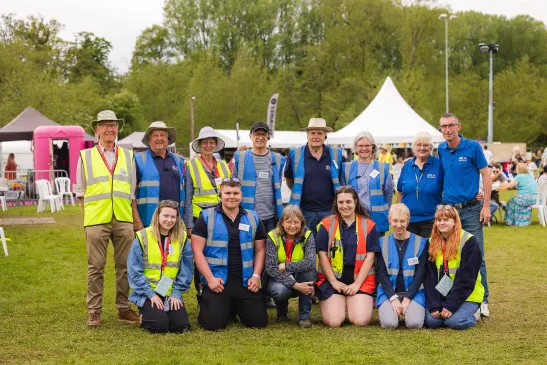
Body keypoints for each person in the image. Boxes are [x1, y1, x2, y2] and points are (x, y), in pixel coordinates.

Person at [76, 110, 140, 327]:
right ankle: (94, 311)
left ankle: (123, 309)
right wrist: (89, 219)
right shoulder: (85, 156)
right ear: (97, 130)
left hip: (122, 218)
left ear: (117, 129)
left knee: (125, 266)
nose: (110, 129)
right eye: (105, 125)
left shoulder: (129, 156)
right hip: (96, 220)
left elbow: (131, 192)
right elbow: (81, 192)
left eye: (113, 125)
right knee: (96, 266)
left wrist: (133, 219)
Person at [191, 178, 268, 330]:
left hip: (245, 280)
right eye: (227, 193)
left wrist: (256, 276)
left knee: (258, 322)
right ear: (220, 194)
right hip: (218, 281)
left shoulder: (253, 217)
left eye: (235, 193)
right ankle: (211, 301)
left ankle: (234, 306)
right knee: (212, 325)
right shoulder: (206, 217)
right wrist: (210, 279)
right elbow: (197, 252)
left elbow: (260, 250)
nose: (231, 197)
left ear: (241, 195)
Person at [437, 113, 491, 317]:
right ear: (440, 129)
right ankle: (452, 295)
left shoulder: (472, 147)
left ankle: (483, 299)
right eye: (444, 126)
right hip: (449, 211)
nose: (448, 130)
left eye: (451, 125)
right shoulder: (441, 149)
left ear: (458, 126)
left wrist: (486, 205)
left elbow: (486, 173)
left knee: (477, 255)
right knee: (449, 255)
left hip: (470, 209)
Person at [315, 186, 380, 328]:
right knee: (334, 321)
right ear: (336, 204)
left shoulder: (368, 225)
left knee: (360, 320)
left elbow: (370, 257)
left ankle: (351, 301)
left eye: (348, 202)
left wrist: (357, 285)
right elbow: (322, 255)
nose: (345, 206)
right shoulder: (326, 224)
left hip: (360, 280)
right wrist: (333, 282)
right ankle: (339, 302)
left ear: (356, 202)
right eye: (341, 202)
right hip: (333, 280)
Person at [128, 200, 193, 333]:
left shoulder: (182, 238)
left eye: (173, 217)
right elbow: (134, 271)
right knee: (160, 326)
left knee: (180, 326)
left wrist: (176, 293)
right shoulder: (142, 237)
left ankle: (164, 311)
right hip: (147, 292)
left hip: (170, 291)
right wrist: (151, 294)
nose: (169, 220)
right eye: (165, 216)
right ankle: (145, 316)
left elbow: (187, 269)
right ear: (157, 216)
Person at [424, 205, 484, 330]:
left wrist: (450, 306)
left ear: (455, 222)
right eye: (438, 220)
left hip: (468, 294)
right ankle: (449, 310)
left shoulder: (469, 241)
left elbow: (467, 279)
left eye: (446, 220)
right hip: (442, 294)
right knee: (432, 322)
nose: (441, 223)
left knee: (454, 322)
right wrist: (435, 306)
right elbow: (429, 277)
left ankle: (475, 314)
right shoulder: (431, 242)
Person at [284, 118, 343, 234]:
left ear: (325, 136)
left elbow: (340, 179)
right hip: (303, 211)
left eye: (320, 133)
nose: (316, 136)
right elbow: (289, 180)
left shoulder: (336, 154)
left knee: (328, 247)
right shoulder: (295, 154)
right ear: (307, 135)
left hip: (329, 211)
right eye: (313, 133)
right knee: (305, 247)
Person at [376, 204, 428, 329]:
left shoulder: (420, 242)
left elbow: (420, 274)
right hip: (389, 292)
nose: (398, 225)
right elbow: (381, 274)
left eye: (402, 221)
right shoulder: (381, 242)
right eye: (395, 221)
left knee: (414, 324)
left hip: (414, 292)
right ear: (389, 220)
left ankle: (409, 308)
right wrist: (393, 299)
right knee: (389, 324)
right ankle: (393, 308)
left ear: (408, 221)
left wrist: (407, 298)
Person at [264, 205, 315, 328]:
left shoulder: (307, 235)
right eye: (289, 222)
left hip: (299, 274)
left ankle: (304, 316)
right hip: (278, 277)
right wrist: (295, 285)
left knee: (308, 273)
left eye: (297, 222)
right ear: (282, 223)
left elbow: (310, 262)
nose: (293, 226)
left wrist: (286, 266)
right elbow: (271, 268)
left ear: (302, 223)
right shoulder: (272, 236)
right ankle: (282, 311)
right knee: (280, 292)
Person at [232, 122, 285, 233]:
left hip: (270, 217)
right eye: (256, 134)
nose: (260, 137)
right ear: (250, 136)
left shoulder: (278, 159)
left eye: (263, 134)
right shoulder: (240, 158)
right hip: (246, 215)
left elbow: (277, 185)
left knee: (270, 249)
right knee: (247, 248)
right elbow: (233, 186)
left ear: (268, 137)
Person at [133, 121, 185, 229]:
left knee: (173, 247)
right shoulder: (138, 160)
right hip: (148, 221)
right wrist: (137, 221)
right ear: (149, 139)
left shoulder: (179, 161)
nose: (159, 138)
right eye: (155, 135)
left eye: (163, 135)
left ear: (168, 139)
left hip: (173, 221)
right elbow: (131, 194)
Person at [342, 131, 393, 236]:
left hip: (376, 221)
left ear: (372, 147)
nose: (364, 148)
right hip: (353, 219)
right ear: (355, 148)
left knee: (376, 251)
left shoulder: (383, 168)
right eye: (360, 145)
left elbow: (389, 194)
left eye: (367, 145)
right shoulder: (346, 168)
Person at [184, 127, 230, 235]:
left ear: (215, 144)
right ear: (200, 145)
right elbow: (187, 199)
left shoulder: (223, 165)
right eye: (205, 142)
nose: (208, 146)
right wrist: (189, 225)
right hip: (200, 218)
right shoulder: (191, 166)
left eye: (211, 142)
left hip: (222, 216)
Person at [397, 132, 444, 238]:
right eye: (419, 145)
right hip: (408, 221)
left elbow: (450, 187)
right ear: (413, 147)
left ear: (431, 147)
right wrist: (399, 215)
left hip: (432, 220)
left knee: (429, 252)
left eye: (426, 145)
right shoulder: (407, 166)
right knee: (410, 253)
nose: (422, 148)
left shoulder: (439, 165)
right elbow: (400, 192)